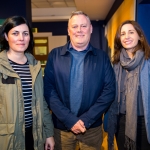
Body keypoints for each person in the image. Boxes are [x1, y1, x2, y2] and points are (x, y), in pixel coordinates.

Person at [44, 11, 115, 150]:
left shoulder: (102, 57)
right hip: (61, 130)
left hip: (92, 130)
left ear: (91, 29)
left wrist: (85, 120)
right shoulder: (55, 55)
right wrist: (70, 120)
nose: (79, 30)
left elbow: (109, 91)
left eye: (83, 26)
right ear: (68, 30)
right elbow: (49, 91)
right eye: (75, 26)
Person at [0, 16, 55, 150]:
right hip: (8, 138)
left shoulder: (34, 65)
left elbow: (41, 102)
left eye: (25, 33)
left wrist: (48, 134)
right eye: (15, 33)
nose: (21, 38)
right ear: (6, 37)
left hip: (34, 135)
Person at [107, 20, 150, 150]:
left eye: (131, 32)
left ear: (140, 36)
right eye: (123, 34)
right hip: (121, 122)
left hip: (144, 123)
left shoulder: (148, 62)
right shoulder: (116, 64)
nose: (127, 37)